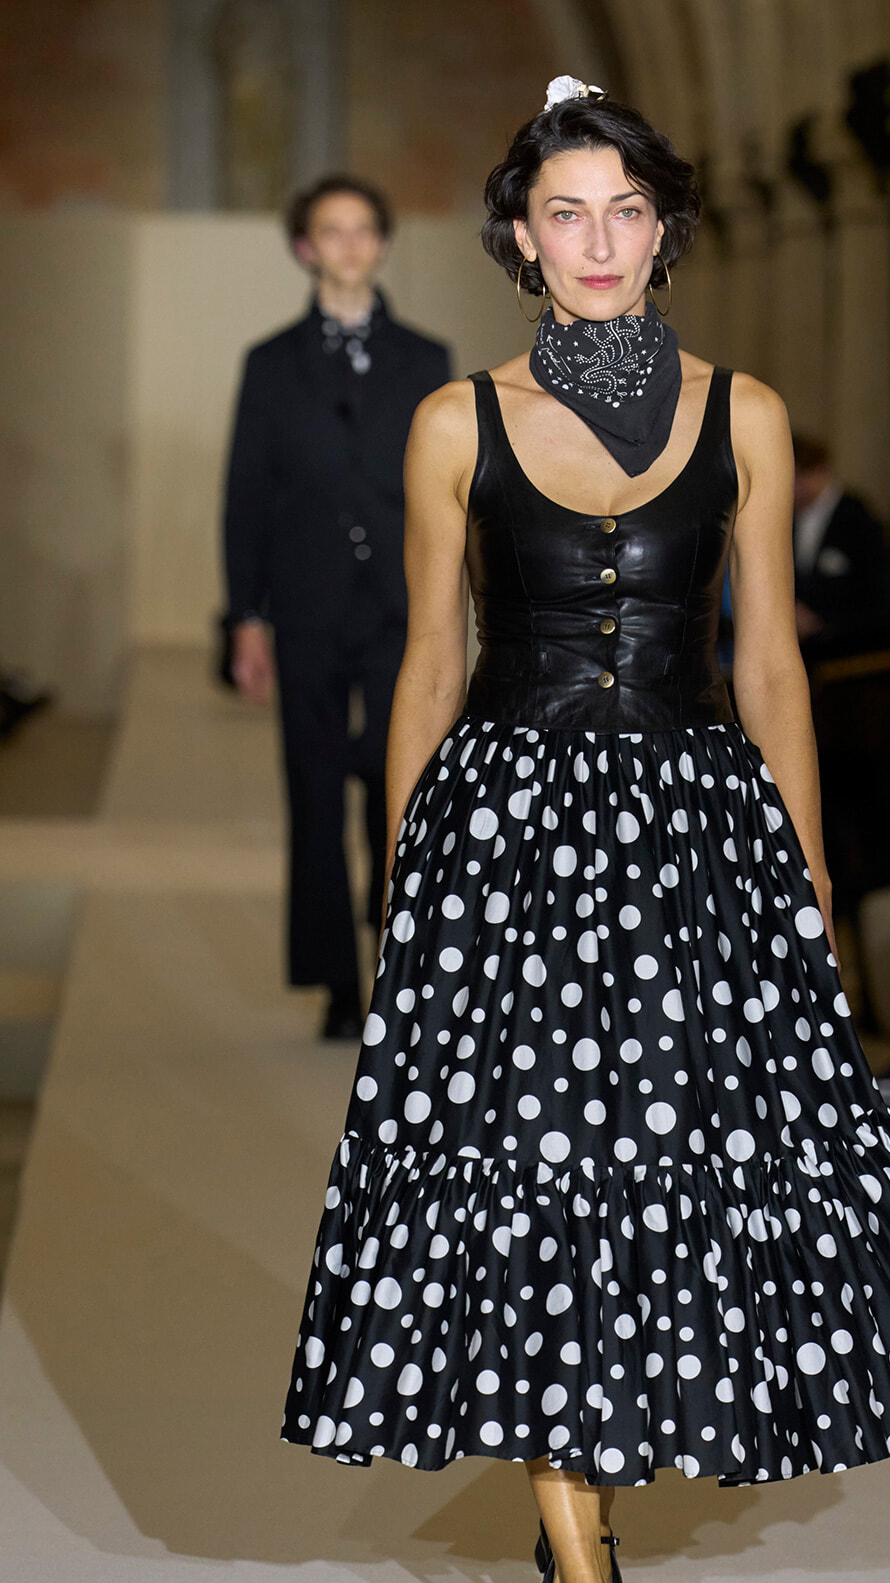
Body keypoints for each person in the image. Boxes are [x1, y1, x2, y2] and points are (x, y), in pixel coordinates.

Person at [281, 80, 890, 1583]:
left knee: (664, 1184)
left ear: (664, 228)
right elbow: (428, 660)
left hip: (697, 845)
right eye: (567, 211)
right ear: (519, 238)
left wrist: (812, 880)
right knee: (546, 1189)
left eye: (626, 208)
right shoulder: (450, 424)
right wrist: (407, 877)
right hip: (516, 849)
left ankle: (592, 1516)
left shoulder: (745, 414)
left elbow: (771, 659)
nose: (599, 239)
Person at [223, 174, 451, 1040]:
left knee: (401, 788)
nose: (350, 246)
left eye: (364, 230)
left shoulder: (425, 359)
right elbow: (246, 494)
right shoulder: (270, 363)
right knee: (313, 788)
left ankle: (400, 961)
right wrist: (246, 616)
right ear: (303, 248)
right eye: (331, 231)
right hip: (308, 605)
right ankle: (333, 981)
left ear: (383, 243)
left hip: (402, 604)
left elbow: (447, 491)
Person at [791, 433, 890, 646]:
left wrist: (821, 623)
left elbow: (882, 598)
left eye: (798, 476)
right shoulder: (782, 519)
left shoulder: (858, 519)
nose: (792, 486)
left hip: (850, 648)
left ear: (820, 471)